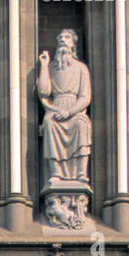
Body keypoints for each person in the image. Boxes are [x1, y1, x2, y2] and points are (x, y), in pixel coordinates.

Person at [37, 29, 92, 185]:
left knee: (82, 124)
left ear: (73, 44)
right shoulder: (52, 68)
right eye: (60, 37)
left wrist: (70, 112)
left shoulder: (81, 68)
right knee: (49, 123)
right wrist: (43, 66)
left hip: (74, 110)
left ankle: (81, 173)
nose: (62, 39)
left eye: (66, 37)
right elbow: (44, 92)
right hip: (55, 109)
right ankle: (55, 172)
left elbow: (85, 97)